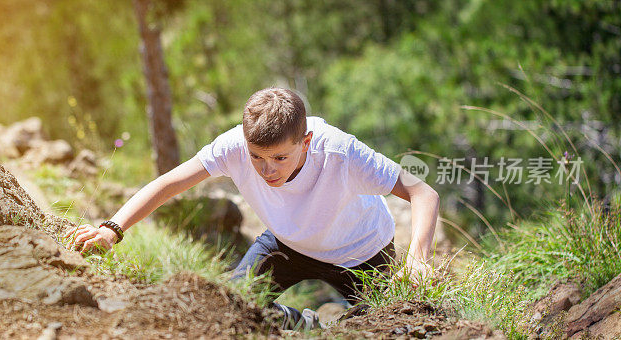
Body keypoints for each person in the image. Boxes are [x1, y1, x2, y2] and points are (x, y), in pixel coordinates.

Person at [63, 87, 439, 330]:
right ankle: (299, 323)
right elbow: (169, 184)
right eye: (257, 157)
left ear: (306, 142)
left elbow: (424, 194)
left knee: (381, 329)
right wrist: (112, 229)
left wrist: (419, 260)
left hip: (363, 253)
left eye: (279, 157)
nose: (266, 169)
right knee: (229, 310)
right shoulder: (233, 146)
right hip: (286, 244)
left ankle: (329, 323)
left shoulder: (342, 153)